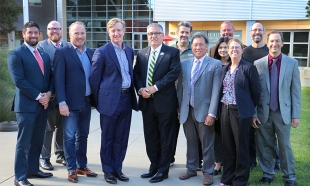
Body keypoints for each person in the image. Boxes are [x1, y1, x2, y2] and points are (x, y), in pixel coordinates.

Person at [89, 18, 138, 184]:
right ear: (108, 33)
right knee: (108, 137)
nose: (116, 33)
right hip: (109, 102)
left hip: (126, 98)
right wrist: (99, 102)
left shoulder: (129, 51)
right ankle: (108, 170)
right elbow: (94, 80)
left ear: (124, 31)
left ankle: (118, 168)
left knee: (122, 137)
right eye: (113, 31)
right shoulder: (102, 52)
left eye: (119, 30)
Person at [7, 21, 53, 186]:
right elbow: (19, 80)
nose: (33, 35)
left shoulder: (44, 55)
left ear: (39, 34)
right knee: (24, 143)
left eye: (35, 32)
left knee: (37, 141)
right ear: (23, 34)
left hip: (43, 105)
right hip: (26, 107)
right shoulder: (16, 54)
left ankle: (33, 170)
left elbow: (49, 78)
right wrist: (39, 96)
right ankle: (19, 177)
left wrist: (48, 94)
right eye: (30, 33)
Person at [133, 23, 180, 183]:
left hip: (165, 103)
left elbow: (174, 73)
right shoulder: (141, 53)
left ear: (162, 35)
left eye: (156, 33)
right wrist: (141, 89)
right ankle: (153, 165)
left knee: (165, 137)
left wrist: (154, 88)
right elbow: (136, 73)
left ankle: (163, 170)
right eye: (150, 34)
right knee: (150, 136)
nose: (153, 36)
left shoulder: (172, 52)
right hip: (147, 103)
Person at [253, 31, 301, 186]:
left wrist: (296, 115)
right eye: (272, 41)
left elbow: (296, 91)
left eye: (277, 41)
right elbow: (254, 92)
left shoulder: (292, 63)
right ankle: (267, 173)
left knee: (284, 146)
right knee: (264, 145)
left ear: (282, 43)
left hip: (283, 113)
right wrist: (254, 113)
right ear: (267, 43)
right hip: (263, 113)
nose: (274, 44)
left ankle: (290, 176)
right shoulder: (258, 64)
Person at [53, 21, 97, 183]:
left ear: (86, 34)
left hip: (86, 103)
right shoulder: (62, 53)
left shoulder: (91, 53)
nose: (79, 36)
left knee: (83, 136)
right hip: (69, 104)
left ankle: (81, 166)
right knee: (70, 137)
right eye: (76, 33)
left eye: (82, 33)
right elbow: (58, 80)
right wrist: (62, 102)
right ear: (69, 35)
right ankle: (71, 168)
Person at [177, 32, 222, 185]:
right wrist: (179, 109)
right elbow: (180, 89)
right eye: (195, 44)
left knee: (207, 142)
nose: (198, 47)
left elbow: (217, 90)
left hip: (205, 111)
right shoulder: (185, 64)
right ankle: (191, 168)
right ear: (191, 46)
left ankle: (208, 172)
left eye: (201, 44)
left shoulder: (215, 64)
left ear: (206, 46)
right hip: (187, 109)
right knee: (190, 141)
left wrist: (212, 113)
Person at [218, 38, 261, 186]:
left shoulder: (248, 68)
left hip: (240, 113)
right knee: (228, 147)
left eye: (237, 47)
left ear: (242, 50)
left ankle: (240, 180)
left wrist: (248, 109)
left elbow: (256, 92)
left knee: (241, 148)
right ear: (228, 51)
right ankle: (227, 179)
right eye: (231, 48)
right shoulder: (224, 68)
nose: (234, 50)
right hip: (224, 111)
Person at [242, 21, 281, 171]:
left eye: (260, 30)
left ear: (264, 32)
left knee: (270, 133)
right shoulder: (245, 52)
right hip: (248, 97)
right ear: (250, 33)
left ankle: (275, 161)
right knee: (250, 132)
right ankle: (252, 160)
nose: (257, 32)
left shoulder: (269, 49)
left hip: (267, 99)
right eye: (254, 30)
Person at [170, 21, 203, 169]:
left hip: (188, 96)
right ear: (177, 33)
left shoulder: (195, 50)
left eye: (187, 32)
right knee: (171, 130)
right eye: (181, 32)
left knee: (193, 132)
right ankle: (169, 158)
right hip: (171, 96)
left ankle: (197, 161)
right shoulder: (169, 50)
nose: (184, 35)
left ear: (190, 34)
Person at [37, 20, 68, 170]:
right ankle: (44, 157)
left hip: (65, 96)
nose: (54, 31)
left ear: (62, 30)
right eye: (50, 29)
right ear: (47, 31)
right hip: (48, 95)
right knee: (47, 128)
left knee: (63, 127)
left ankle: (60, 154)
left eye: (57, 28)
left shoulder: (69, 46)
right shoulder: (41, 46)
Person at [212, 37, 230, 175]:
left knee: (229, 136)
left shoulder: (235, 64)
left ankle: (229, 163)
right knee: (217, 135)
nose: (223, 50)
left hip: (230, 106)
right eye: (221, 48)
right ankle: (218, 163)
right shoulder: (213, 64)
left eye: (226, 47)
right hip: (215, 105)